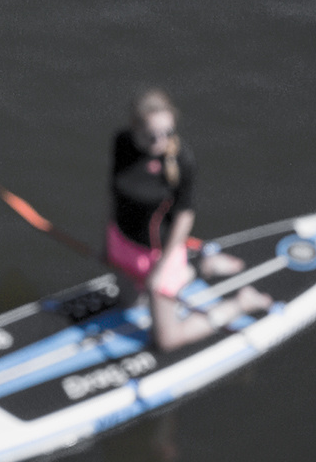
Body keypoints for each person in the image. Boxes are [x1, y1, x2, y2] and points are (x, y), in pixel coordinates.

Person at [107, 89, 270, 350]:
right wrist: (109, 243)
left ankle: (242, 303)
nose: (161, 141)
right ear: (135, 127)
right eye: (152, 135)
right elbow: (118, 197)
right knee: (127, 305)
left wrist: (160, 270)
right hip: (123, 244)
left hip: (160, 255)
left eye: (168, 133)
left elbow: (184, 215)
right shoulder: (122, 143)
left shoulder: (182, 161)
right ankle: (200, 267)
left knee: (167, 341)